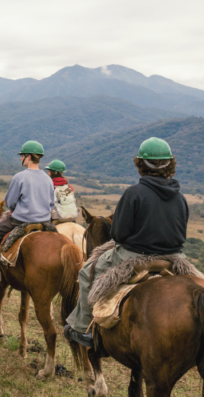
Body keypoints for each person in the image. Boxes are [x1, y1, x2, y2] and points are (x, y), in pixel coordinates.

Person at [64, 137, 189, 348]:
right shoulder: (181, 198)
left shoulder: (134, 194)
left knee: (87, 271)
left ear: (141, 165)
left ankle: (83, 328)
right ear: (170, 164)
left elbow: (119, 235)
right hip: (174, 258)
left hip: (135, 257)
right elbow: (181, 234)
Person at [0, 141, 55, 282]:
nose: (20, 158)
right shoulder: (48, 179)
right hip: (45, 221)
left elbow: (10, 203)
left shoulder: (19, 177)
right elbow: (51, 204)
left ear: (28, 156)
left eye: (22, 155)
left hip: (21, 220)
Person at [45, 159, 78, 224]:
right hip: (71, 217)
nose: (47, 173)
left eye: (49, 171)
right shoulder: (68, 186)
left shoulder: (50, 185)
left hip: (56, 217)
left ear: (55, 172)